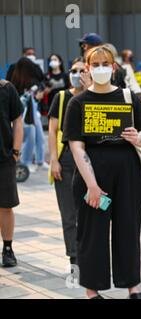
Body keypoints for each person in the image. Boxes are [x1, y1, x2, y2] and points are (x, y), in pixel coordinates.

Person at [63, 46, 141, 299]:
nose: (101, 67)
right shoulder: (77, 102)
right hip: (92, 176)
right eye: (96, 64)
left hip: (128, 174)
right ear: (88, 69)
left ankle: (133, 287)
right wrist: (91, 185)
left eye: (106, 63)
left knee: (128, 228)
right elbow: (76, 147)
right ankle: (93, 291)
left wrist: (139, 137)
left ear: (114, 67)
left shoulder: (129, 97)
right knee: (92, 233)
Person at [48, 57, 85, 269]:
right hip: (66, 161)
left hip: (90, 162)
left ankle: (90, 251)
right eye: (73, 70)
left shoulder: (93, 97)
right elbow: (52, 130)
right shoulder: (61, 97)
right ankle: (74, 256)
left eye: (81, 70)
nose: (77, 74)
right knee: (69, 213)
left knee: (91, 212)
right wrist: (54, 160)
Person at [0, 80, 23, 267]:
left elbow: (17, 119)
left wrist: (15, 151)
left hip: (4, 157)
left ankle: (7, 248)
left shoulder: (6, 88)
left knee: (6, 206)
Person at [10, 58, 47, 173]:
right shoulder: (16, 84)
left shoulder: (31, 82)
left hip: (31, 112)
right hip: (24, 114)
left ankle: (39, 161)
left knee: (38, 136)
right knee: (29, 137)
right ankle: (25, 163)